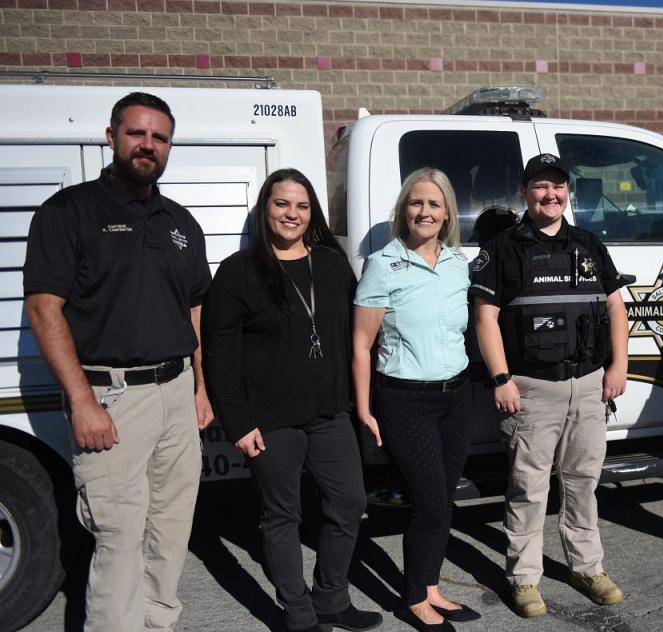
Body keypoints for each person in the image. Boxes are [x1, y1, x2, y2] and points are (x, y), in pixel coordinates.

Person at [23, 92, 213, 631]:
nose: (147, 145)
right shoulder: (70, 212)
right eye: (136, 133)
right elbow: (43, 309)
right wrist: (82, 401)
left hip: (177, 392)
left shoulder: (180, 223)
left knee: (171, 528)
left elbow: (194, 310)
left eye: (159, 137)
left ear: (169, 146)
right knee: (120, 534)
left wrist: (201, 388)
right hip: (112, 397)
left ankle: (155, 623)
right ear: (112, 137)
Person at [201, 169, 382, 632]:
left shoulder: (330, 262)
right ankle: (298, 613)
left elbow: (357, 332)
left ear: (312, 213)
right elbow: (218, 356)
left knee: (348, 503)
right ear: (266, 208)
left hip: (330, 413)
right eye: (282, 204)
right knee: (282, 515)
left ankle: (330, 598)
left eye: (301, 206)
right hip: (270, 421)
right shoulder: (238, 272)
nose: (292, 214)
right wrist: (238, 423)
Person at [470, 154, 629, 618]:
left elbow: (616, 307)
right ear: (524, 193)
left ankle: (588, 568)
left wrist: (618, 366)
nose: (550, 195)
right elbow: (486, 317)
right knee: (528, 487)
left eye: (558, 187)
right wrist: (501, 378)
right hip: (532, 389)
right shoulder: (503, 248)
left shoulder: (588, 243)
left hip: (589, 385)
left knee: (583, 484)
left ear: (568, 192)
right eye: (540, 187)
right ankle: (523, 577)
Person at [352, 168, 477, 632]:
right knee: (428, 503)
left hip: (456, 396)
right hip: (405, 401)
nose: (425, 211)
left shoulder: (457, 264)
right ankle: (412, 599)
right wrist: (364, 408)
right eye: (416, 203)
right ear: (403, 210)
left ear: (447, 215)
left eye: (434, 204)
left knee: (444, 500)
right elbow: (362, 344)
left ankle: (430, 587)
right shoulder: (384, 265)